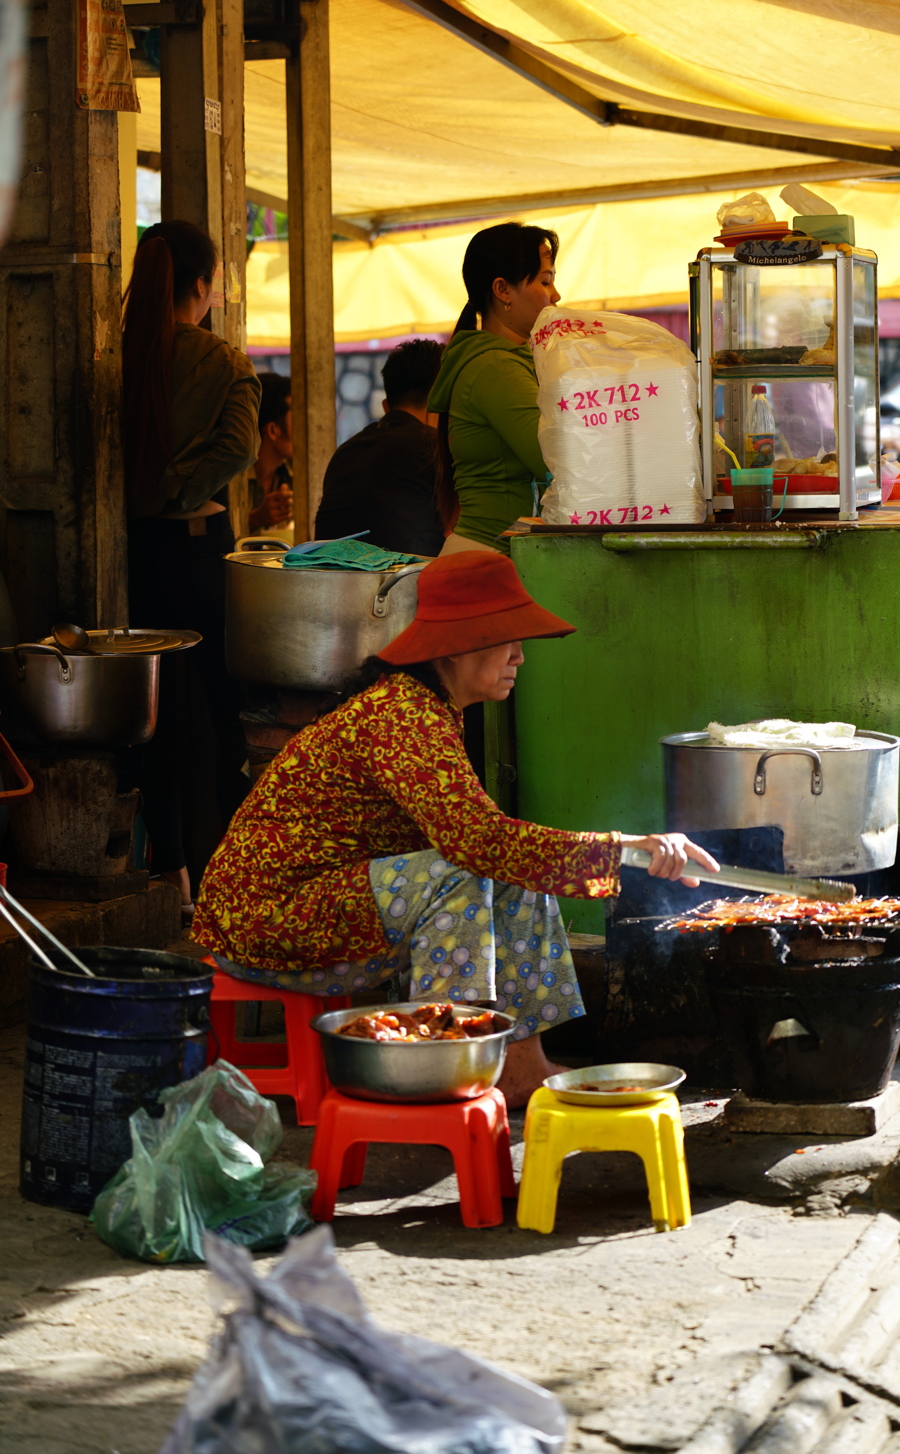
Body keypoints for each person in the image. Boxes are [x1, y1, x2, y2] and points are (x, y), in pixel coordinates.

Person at [192, 550, 718, 1104]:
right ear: (458, 645)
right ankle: (445, 1065)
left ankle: (519, 1068)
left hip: (330, 908)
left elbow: (494, 846)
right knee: (464, 873)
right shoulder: (402, 713)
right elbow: (478, 843)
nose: (520, 656)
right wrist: (623, 851)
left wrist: (616, 854)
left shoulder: (429, 708)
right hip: (264, 920)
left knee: (509, 868)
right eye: (507, 639)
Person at [122, 220, 261, 913]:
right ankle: (234, 870)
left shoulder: (119, 355)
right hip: (199, 548)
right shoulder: (220, 358)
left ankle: (170, 868)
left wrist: (150, 490)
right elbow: (240, 447)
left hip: (134, 554)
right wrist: (180, 484)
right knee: (221, 713)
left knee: (153, 716)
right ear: (202, 286)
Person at [429, 222, 560, 557]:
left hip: (495, 553)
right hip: (486, 559)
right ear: (503, 290)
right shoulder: (496, 368)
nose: (555, 295)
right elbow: (555, 458)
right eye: (545, 281)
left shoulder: (508, 362)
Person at [315, 339, 445, 556]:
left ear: (386, 406)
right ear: (439, 401)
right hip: (407, 583)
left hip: (334, 584)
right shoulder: (436, 448)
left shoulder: (345, 452)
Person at [249, 373, 294, 533]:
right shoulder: (232, 478)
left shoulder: (295, 475)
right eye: (296, 419)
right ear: (273, 430)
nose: (305, 429)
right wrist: (255, 519)